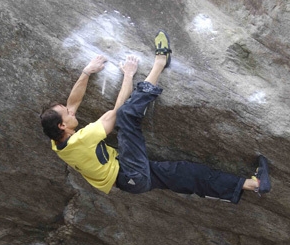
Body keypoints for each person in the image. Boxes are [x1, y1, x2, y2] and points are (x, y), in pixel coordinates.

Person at [40, 31, 271, 202]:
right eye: (67, 115)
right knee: (129, 115)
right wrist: (129, 75)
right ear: (63, 125)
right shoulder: (82, 139)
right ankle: (160, 63)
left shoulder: (57, 142)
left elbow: (72, 103)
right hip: (129, 173)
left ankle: (254, 185)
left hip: (131, 180)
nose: (71, 111)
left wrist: (86, 72)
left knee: (188, 173)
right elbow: (118, 112)